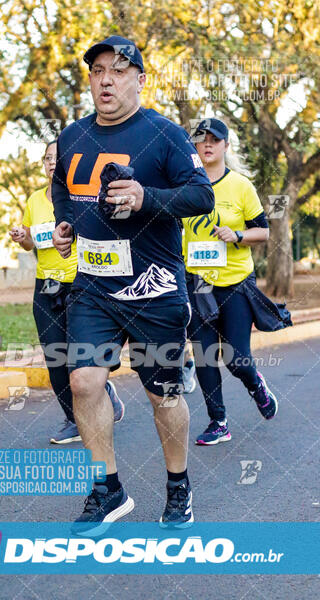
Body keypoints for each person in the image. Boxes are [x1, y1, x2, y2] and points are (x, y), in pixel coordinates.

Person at [52, 35, 215, 533]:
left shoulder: (163, 134)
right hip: (93, 286)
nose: (106, 79)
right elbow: (62, 186)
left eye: (119, 70)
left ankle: (178, 486)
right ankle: (107, 490)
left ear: (140, 80)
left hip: (155, 287)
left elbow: (201, 196)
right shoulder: (73, 136)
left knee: (163, 394)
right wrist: (65, 225)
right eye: (98, 70)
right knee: (83, 381)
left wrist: (147, 198)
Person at [183, 118, 291, 446]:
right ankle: (218, 422)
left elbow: (265, 230)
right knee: (203, 355)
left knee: (236, 357)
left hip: (235, 282)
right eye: (201, 139)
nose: (208, 144)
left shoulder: (240, 185)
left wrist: (238, 234)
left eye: (215, 139)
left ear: (226, 146)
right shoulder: (184, 187)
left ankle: (256, 385)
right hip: (197, 283)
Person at [9, 141, 124, 444]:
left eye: (56, 158)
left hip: (79, 283)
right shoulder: (34, 200)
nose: (51, 163)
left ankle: (101, 389)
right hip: (46, 284)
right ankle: (73, 419)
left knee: (80, 354)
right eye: (47, 158)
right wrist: (23, 237)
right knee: (54, 354)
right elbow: (31, 242)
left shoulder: (79, 196)